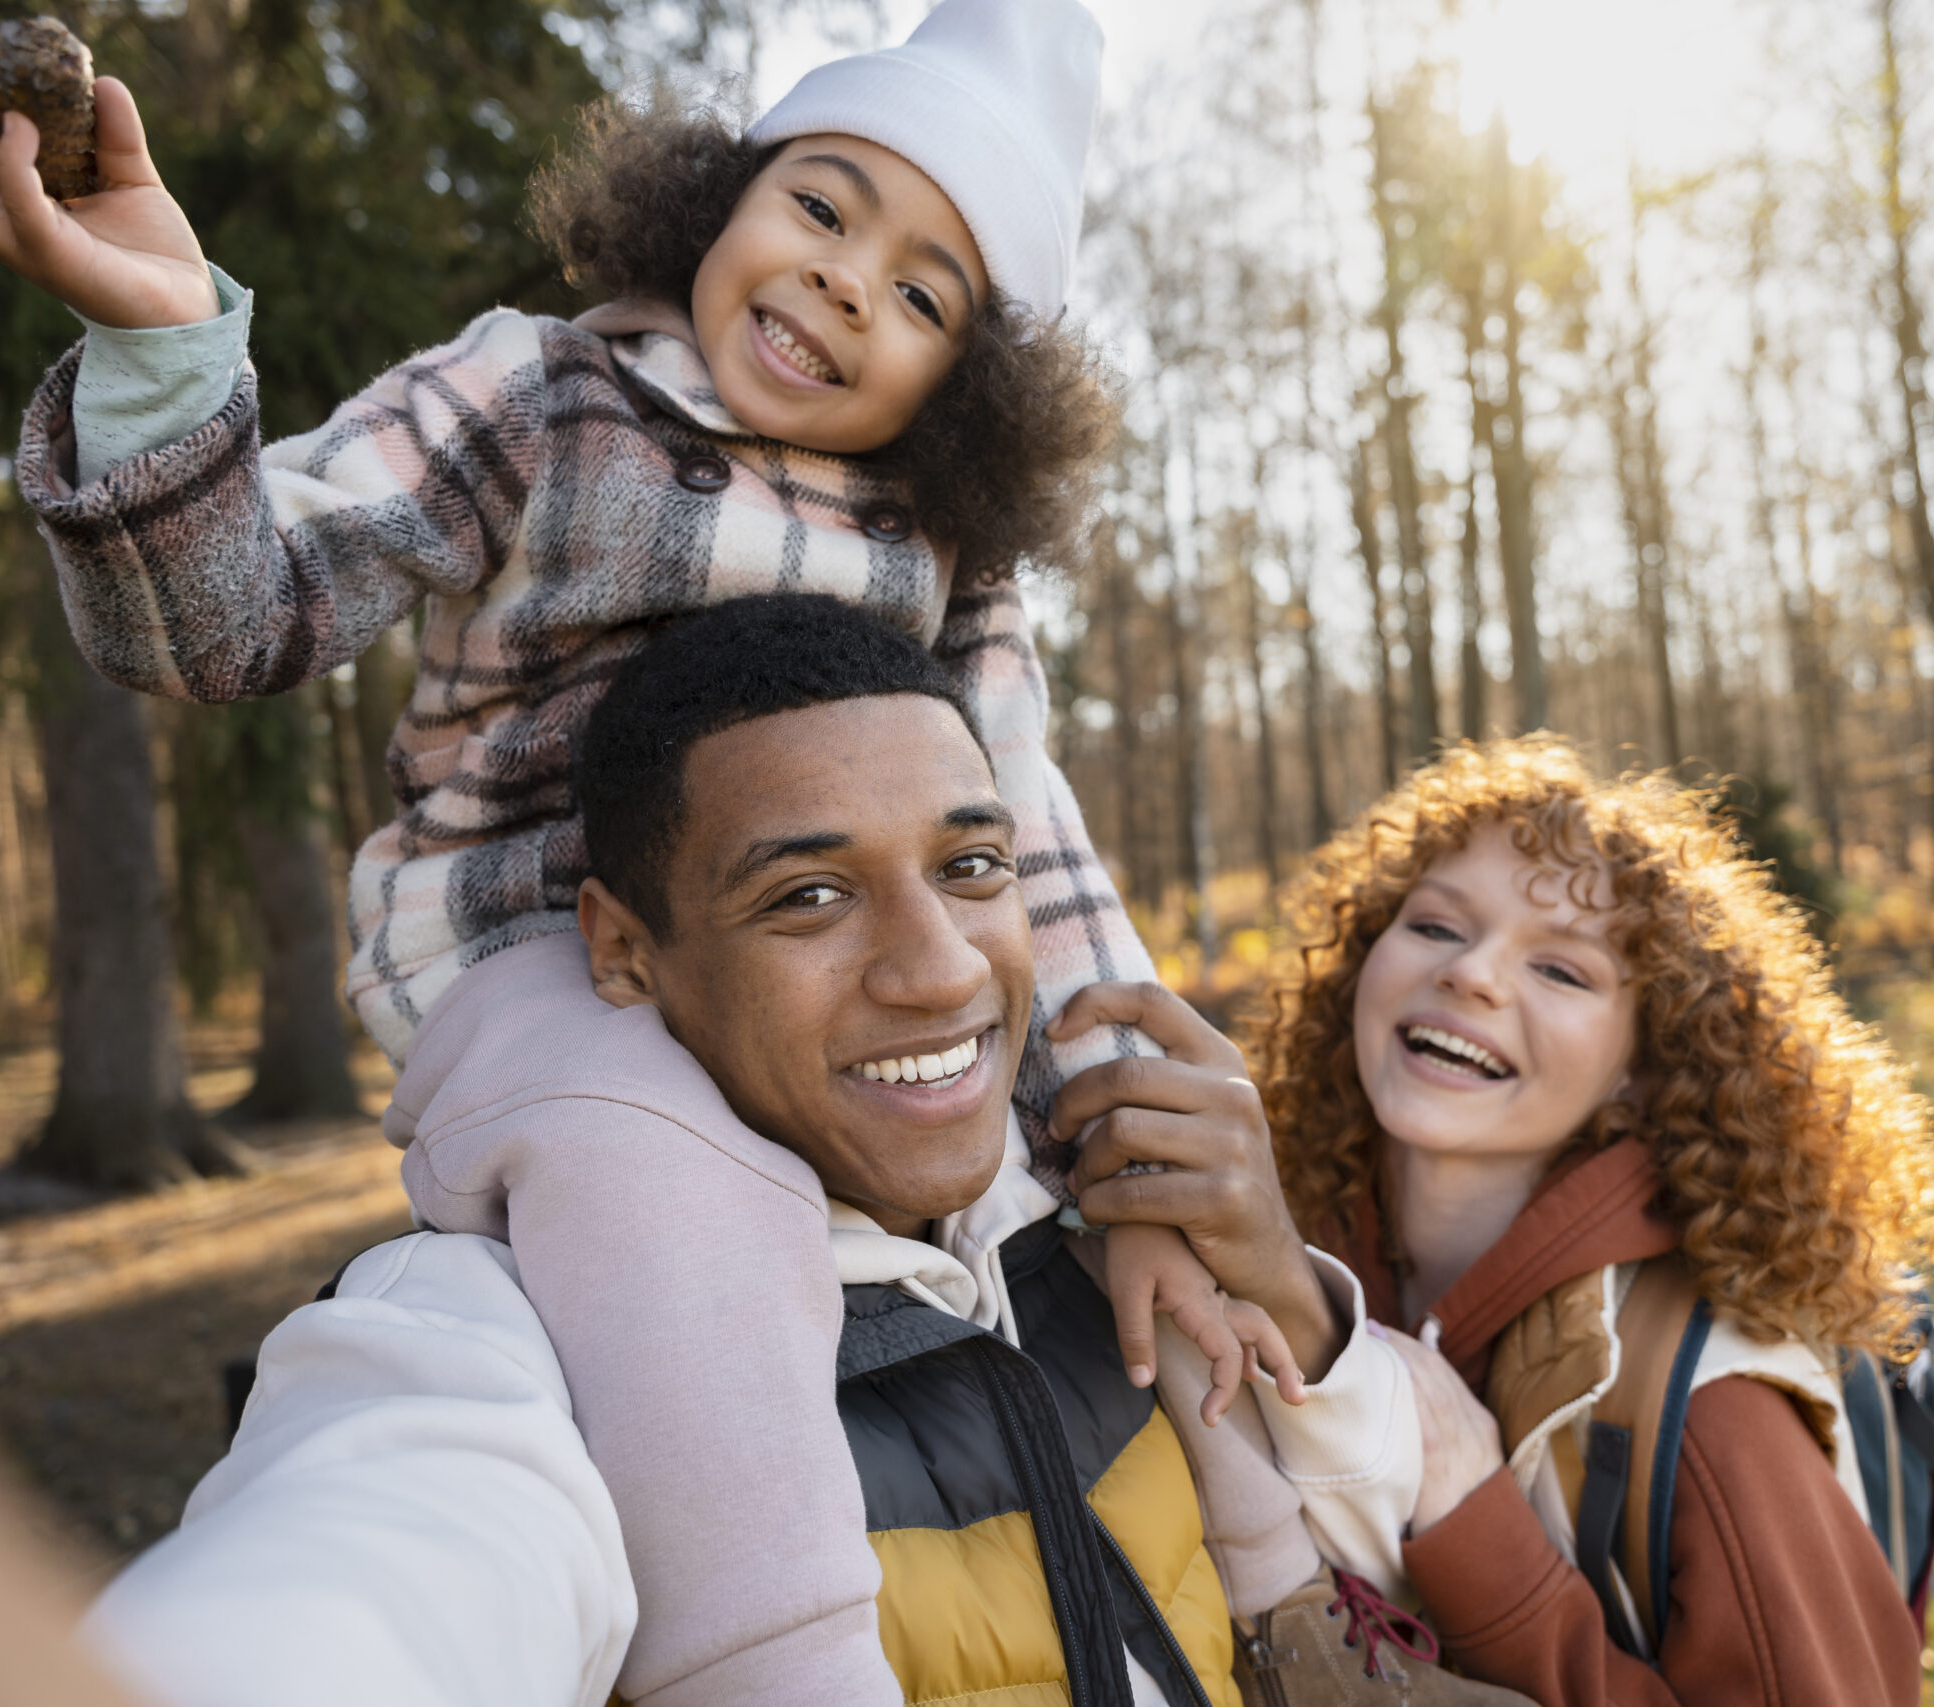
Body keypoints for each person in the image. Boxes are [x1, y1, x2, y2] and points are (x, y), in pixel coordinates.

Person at [0, 5, 1306, 1696]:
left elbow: (1026, 837)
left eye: (927, 294)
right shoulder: (541, 391)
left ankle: (1299, 1606)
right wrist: (162, 346)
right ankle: (772, 1656)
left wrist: (1129, 1142)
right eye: (823, 205)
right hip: (547, 977)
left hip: (838, 998)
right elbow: (236, 618)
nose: (852, 281)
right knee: (667, 1196)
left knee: (1090, 1235)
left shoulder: (945, 541)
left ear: (969, 384)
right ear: (718, 196)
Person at [87, 595, 1522, 1707]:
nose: (940, 967)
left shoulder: (1097, 1234)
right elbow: (371, 1571)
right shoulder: (513, 1326)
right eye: (813, 893)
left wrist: (1276, 1267)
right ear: (625, 951)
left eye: (972, 867)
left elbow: (1441, 1525)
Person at [1245, 735, 1934, 1706]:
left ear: (1642, 1067)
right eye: (1437, 927)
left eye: (1563, 973)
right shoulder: (1284, 1259)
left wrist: (1480, 1539)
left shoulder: (1708, 1409)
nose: (1474, 975)